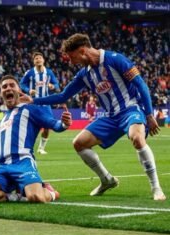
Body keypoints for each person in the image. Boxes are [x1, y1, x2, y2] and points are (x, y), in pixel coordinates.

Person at [20, 33, 166, 201]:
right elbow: (63, 96)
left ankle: (156, 188)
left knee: (137, 138)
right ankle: (107, 180)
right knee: (79, 143)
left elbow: (140, 84)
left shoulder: (116, 59)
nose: (71, 61)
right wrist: (33, 100)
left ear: (83, 51)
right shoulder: (84, 74)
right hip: (110, 116)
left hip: (130, 109)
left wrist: (149, 114)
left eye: (72, 56)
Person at [0, 75, 72, 203]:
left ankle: (51, 192)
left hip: (23, 163)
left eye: (11, 85)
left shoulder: (30, 109)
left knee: (36, 198)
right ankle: (18, 195)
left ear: (19, 90)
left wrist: (64, 123)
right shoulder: (2, 120)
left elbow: (54, 124)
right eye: (4, 87)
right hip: (3, 167)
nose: (8, 88)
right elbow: (0, 156)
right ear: (1, 93)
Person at [20, 52, 60, 155]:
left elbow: (56, 84)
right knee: (30, 127)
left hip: (46, 104)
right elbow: (22, 84)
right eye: (36, 58)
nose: (38, 60)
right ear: (34, 61)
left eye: (40, 58)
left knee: (47, 127)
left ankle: (41, 148)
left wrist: (53, 86)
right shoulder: (30, 73)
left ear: (43, 60)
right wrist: (29, 90)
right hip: (33, 104)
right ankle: (27, 148)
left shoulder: (49, 72)